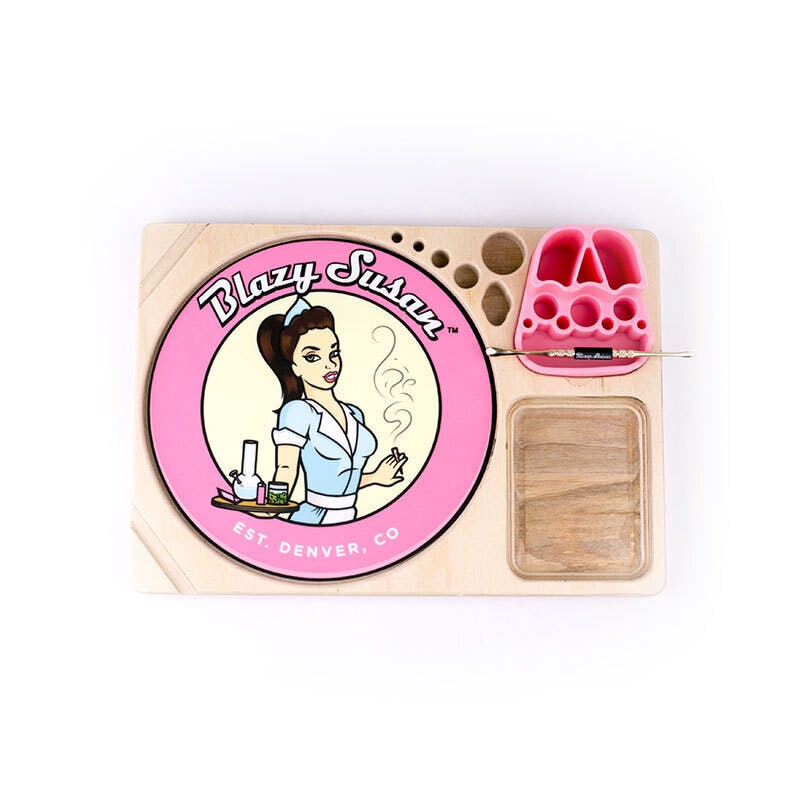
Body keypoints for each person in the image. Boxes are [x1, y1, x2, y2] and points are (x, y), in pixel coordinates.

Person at [257, 295, 407, 524]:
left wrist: (376, 477)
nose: (329, 364)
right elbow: (286, 468)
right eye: (312, 357)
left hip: (349, 516)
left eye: (333, 353)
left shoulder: (354, 413)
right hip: (314, 518)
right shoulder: (298, 412)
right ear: (295, 367)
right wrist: (270, 507)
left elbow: (341, 479)